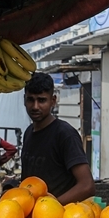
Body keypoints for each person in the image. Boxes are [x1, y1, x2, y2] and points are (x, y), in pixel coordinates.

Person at [20, 72, 95, 203]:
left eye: (41, 100)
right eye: (31, 99)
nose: (35, 106)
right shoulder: (28, 133)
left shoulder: (64, 134)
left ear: (53, 101)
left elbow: (87, 185)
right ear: (24, 100)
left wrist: (53, 206)